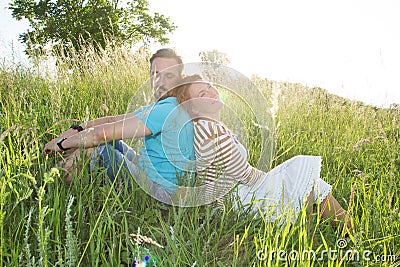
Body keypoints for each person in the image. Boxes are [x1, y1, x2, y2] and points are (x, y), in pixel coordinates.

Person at [172, 74, 353, 231]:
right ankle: (344, 236)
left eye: (210, 86)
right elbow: (243, 173)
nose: (212, 92)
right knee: (300, 172)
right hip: (235, 203)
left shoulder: (211, 127)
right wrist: (274, 179)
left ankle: (313, 238)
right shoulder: (210, 129)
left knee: (309, 186)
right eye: (203, 94)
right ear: (194, 108)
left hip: (239, 194)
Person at [44, 48, 195, 202]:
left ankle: (50, 191)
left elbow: (100, 135)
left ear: (180, 79)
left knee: (96, 145)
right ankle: (55, 181)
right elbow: (112, 121)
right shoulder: (163, 105)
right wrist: (75, 130)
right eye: (155, 74)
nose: (160, 82)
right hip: (149, 171)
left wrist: (61, 144)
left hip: (160, 193)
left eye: (169, 75)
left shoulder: (168, 109)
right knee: (107, 142)